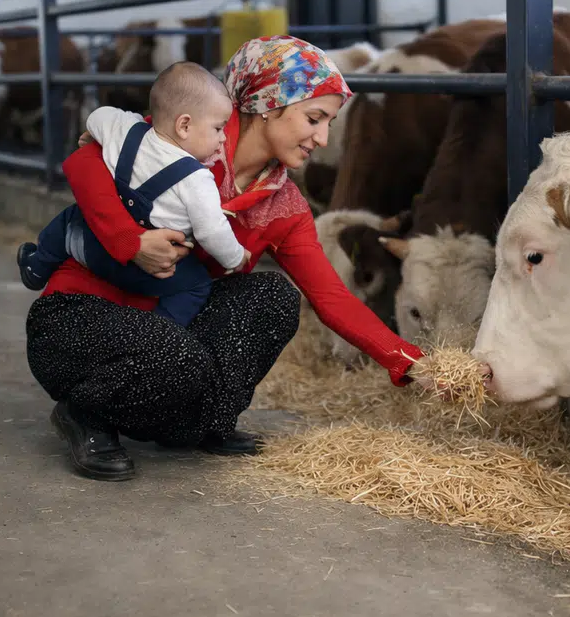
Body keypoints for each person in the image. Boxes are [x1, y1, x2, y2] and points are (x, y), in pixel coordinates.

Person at [24, 35, 430, 482]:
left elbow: (332, 297)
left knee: (272, 297)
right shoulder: (187, 135)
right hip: (79, 318)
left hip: (164, 325)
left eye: (329, 123)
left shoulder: (282, 204)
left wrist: (408, 361)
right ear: (268, 105)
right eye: (314, 118)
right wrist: (131, 242)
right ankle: (84, 415)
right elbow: (84, 162)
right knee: (174, 356)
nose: (323, 138)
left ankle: (201, 422)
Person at [15, 62, 247, 327]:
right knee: (196, 286)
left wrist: (97, 133)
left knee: (71, 217)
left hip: (91, 250)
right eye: (218, 129)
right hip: (149, 271)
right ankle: (158, 333)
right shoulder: (197, 178)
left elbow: (98, 115)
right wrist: (236, 257)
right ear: (184, 125)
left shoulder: (125, 129)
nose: (222, 139)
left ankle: (37, 266)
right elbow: (212, 231)